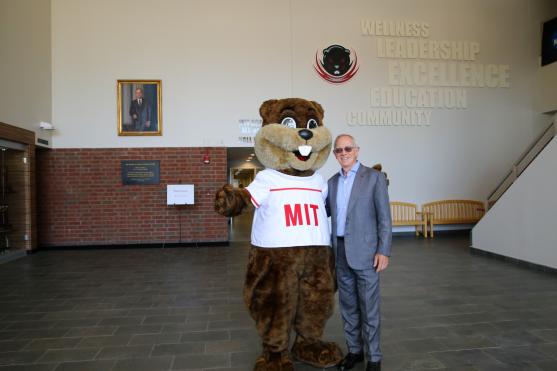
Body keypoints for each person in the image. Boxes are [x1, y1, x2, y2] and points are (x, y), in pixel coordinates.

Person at [326, 134, 392, 371]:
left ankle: (374, 357)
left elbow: (385, 217)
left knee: (369, 308)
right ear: (334, 154)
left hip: (366, 254)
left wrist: (383, 251)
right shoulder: (331, 183)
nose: (343, 153)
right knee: (348, 306)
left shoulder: (374, 179)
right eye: (339, 150)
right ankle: (355, 351)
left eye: (348, 148)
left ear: (357, 150)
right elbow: (319, 212)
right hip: (340, 251)